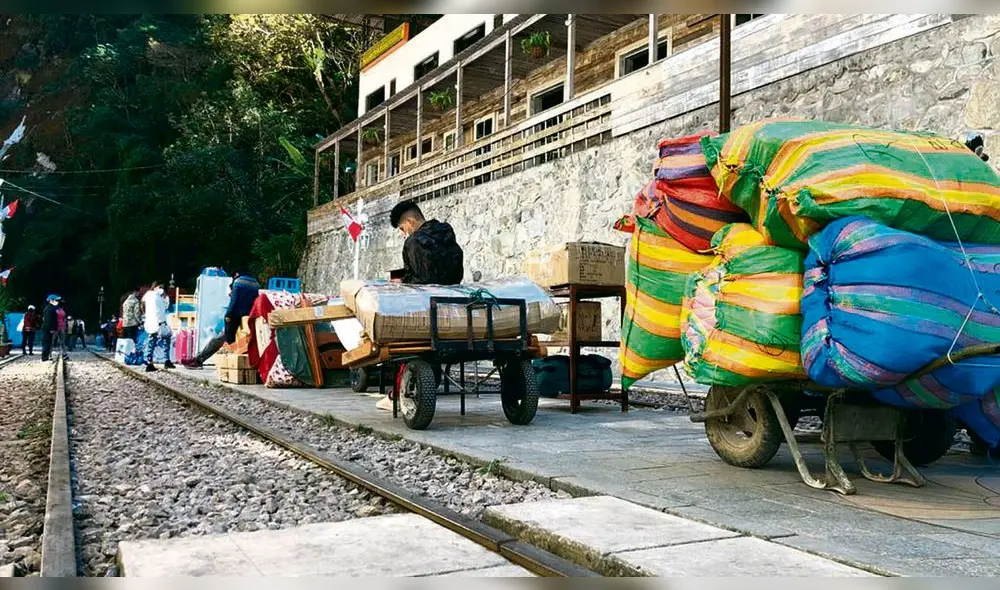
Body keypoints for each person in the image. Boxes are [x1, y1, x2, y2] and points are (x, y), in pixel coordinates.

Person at [182, 272, 260, 369]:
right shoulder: (255, 284)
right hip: (248, 318)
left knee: (219, 340)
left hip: (234, 318)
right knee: (222, 340)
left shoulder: (238, 282)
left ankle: (198, 360)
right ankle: (197, 359)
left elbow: (234, 301)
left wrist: (228, 314)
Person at [389, 200, 464, 285]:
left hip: (430, 296)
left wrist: (402, 281)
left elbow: (423, 280)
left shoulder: (414, 241)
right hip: (454, 293)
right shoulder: (445, 231)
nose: (403, 234)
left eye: (402, 228)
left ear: (409, 222)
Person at [141, 281, 174, 372]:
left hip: (150, 322)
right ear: (157, 287)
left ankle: (149, 362)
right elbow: (167, 306)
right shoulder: (159, 294)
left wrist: (145, 314)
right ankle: (166, 360)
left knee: (151, 342)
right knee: (166, 340)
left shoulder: (147, 295)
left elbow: (142, 304)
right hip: (160, 322)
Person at [40, 295, 61, 362]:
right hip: (48, 329)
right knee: (47, 342)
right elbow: (49, 320)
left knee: (48, 342)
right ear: (51, 300)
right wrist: (51, 328)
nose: (57, 302)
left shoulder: (50, 308)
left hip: (48, 328)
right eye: (56, 300)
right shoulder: (49, 309)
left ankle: (46, 356)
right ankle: (44, 357)